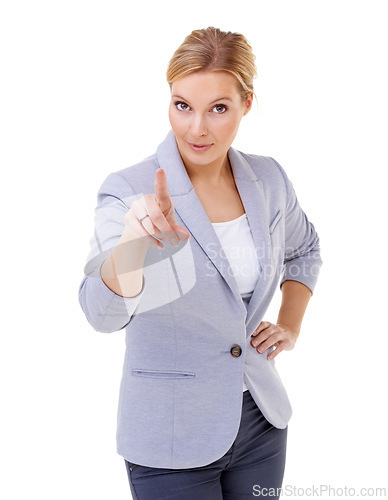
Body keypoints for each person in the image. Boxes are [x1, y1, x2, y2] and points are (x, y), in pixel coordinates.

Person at [78, 26, 322, 500]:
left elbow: (305, 250)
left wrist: (290, 324)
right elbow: (99, 314)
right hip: (170, 439)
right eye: (182, 105)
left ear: (246, 105)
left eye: (219, 108)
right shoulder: (128, 189)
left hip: (260, 422)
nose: (197, 128)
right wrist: (133, 246)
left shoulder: (268, 179)